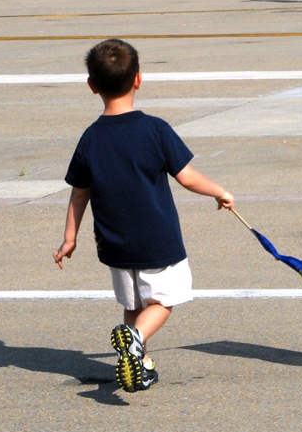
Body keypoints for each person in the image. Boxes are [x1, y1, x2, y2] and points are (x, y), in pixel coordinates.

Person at [53, 39, 234, 393]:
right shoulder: (155, 129)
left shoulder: (90, 138)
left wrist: (69, 238)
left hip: (113, 243)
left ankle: (141, 361)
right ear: (138, 79)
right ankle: (136, 340)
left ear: (92, 86)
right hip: (156, 239)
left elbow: (79, 193)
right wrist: (220, 191)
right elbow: (187, 177)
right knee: (162, 302)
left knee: (133, 304)